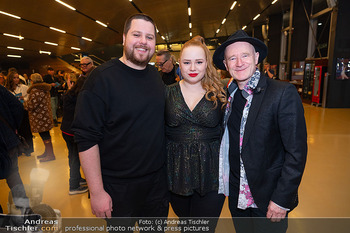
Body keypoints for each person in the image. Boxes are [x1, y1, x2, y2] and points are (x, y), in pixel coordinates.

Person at [72, 13, 169, 221]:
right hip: (118, 188)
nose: (143, 41)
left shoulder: (155, 76)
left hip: (156, 185)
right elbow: (86, 138)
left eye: (150, 37)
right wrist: (97, 192)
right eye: (137, 34)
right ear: (124, 38)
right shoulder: (101, 79)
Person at [212, 30, 307, 233]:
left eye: (245, 55)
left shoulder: (282, 93)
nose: (239, 63)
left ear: (256, 57)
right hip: (238, 196)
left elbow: (296, 153)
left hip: (268, 199)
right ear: (226, 65)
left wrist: (282, 199)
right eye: (232, 58)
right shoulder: (229, 96)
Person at [165, 35, 227, 232]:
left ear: (206, 64)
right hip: (176, 173)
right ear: (179, 64)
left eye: (199, 62)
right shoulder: (166, 92)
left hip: (212, 174)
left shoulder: (220, 92)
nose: (192, 68)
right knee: (185, 225)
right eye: (187, 62)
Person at [0, 84, 30, 215]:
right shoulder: (0, 89)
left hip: (7, 138)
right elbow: (18, 106)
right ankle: (26, 212)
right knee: (13, 175)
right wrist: (13, 127)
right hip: (7, 138)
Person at [60, 74, 88, 195]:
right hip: (74, 132)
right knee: (75, 158)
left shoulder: (69, 94)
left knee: (72, 156)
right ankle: (74, 186)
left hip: (65, 130)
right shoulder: (80, 98)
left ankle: (77, 178)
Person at [24, 73, 56, 162]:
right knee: (46, 135)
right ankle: (47, 152)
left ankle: (50, 154)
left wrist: (24, 102)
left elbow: (31, 106)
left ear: (33, 81)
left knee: (45, 136)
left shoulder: (35, 90)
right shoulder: (44, 89)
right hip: (45, 116)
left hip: (40, 118)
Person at [5, 71, 34, 156]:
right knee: (16, 131)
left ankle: (28, 149)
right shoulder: (6, 89)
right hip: (13, 112)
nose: (16, 79)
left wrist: (23, 98)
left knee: (26, 130)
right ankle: (19, 149)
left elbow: (29, 96)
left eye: (17, 77)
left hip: (23, 110)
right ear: (10, 79)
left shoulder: (24, 87)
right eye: (14, 78)